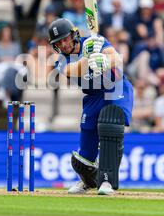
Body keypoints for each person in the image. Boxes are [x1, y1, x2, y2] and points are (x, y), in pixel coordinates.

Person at [48, 18, 134, 195]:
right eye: (59, 42)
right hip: (93, 95)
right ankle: (87, 181)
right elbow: (73, 71)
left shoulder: (95, 41)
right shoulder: (62, 60)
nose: (63, 45)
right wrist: (88, 59)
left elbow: (116, 58)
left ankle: (107, 181)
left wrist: (103, 60)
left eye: (65, 39)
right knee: (84, 153)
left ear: (73, 35)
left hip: (115, 88)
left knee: (110, 124)